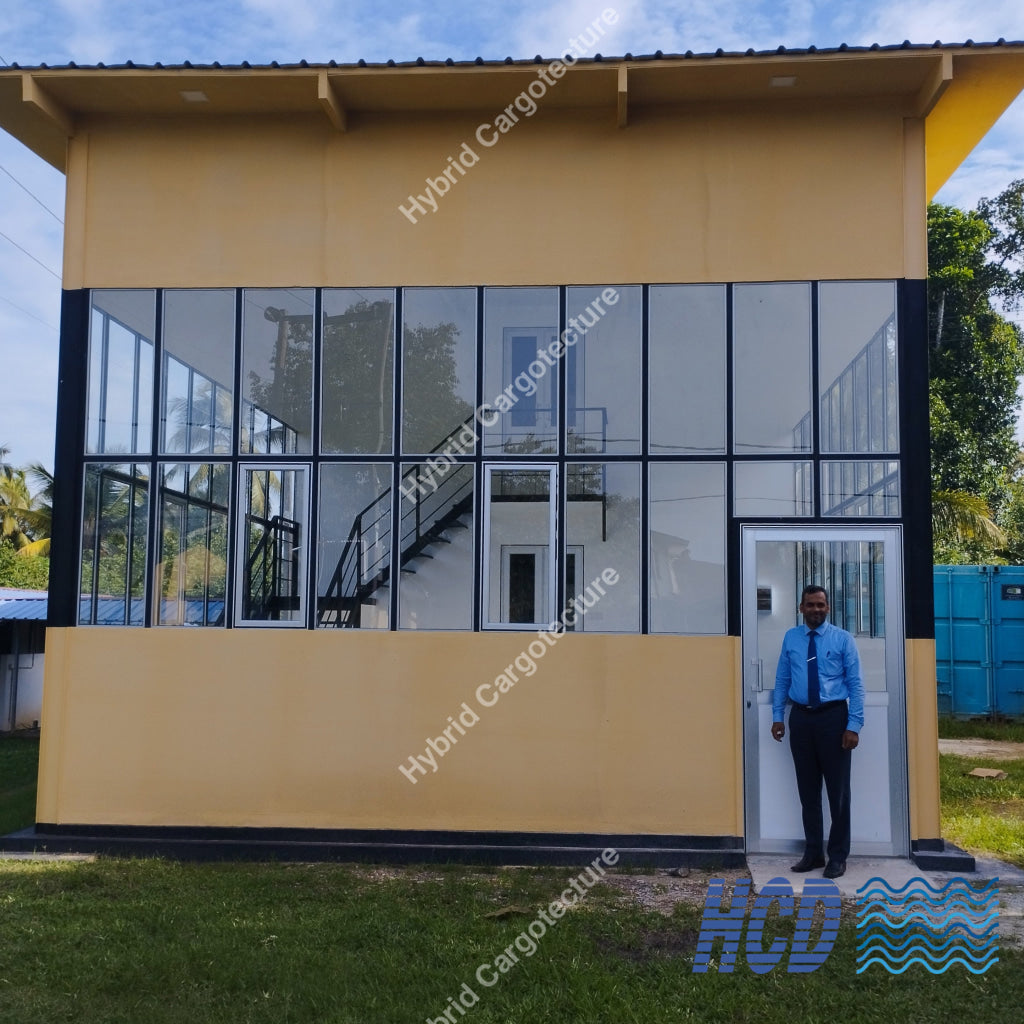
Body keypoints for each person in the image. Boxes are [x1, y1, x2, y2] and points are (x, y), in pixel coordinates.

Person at [770, 584, 864, 880]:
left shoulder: (843, 639)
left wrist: (854, 725)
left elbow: (856, 684)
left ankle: (837, 856)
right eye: (810, 605)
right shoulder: (791, 637)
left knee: (838, 793)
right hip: (801, 719)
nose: (816, 610)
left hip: (834, 719)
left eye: (821, 605)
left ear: (828, 607)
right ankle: (813, 853)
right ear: (801, 608)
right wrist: (778, 717)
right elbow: (783, 678)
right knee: (808, 792)